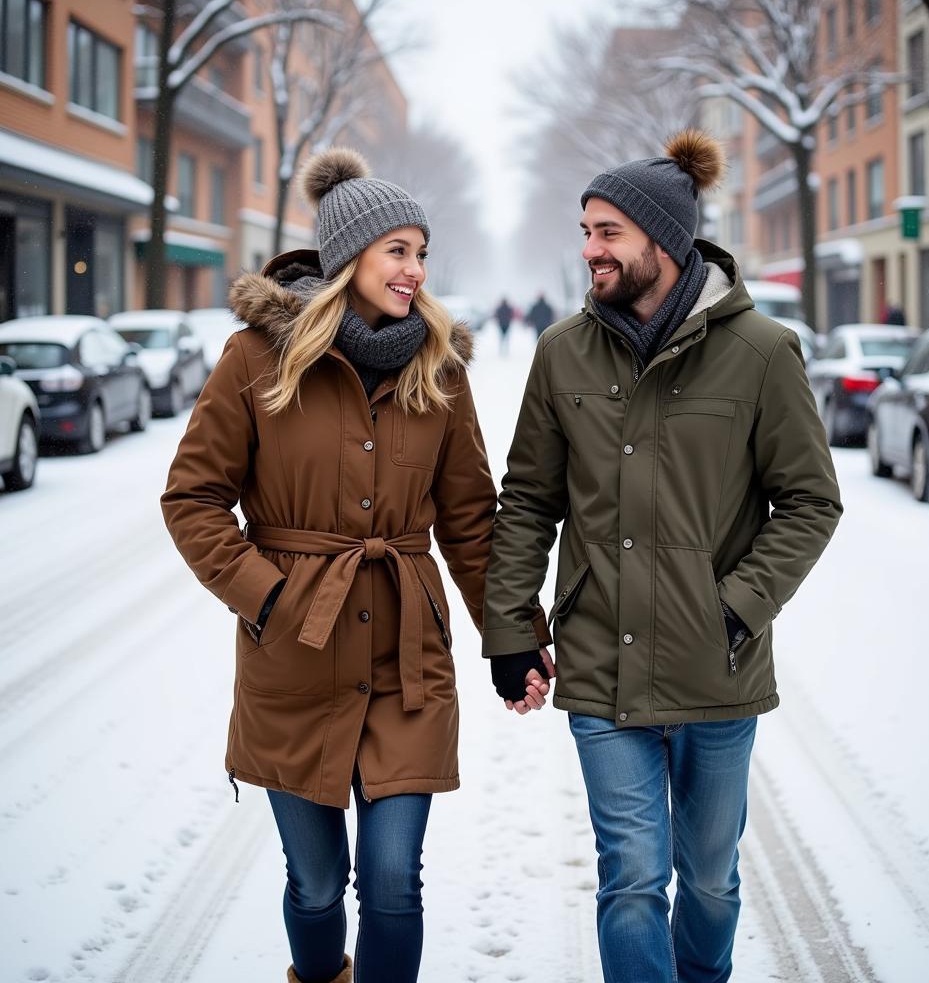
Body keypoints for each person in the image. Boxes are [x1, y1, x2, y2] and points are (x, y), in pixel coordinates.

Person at [482, 129, 843, 983]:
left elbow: (811, 501)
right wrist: (510, 628)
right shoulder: (561, 350)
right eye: (585, 231)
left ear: (664, 242)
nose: (590, 249)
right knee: (633, 878)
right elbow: (529, 499)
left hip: (717, 670)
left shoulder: (763, 353)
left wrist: (736, 607)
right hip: (602, 660)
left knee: (709, 881)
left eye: (608, 231)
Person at [161, 148, 502, 983]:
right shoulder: (255, 359)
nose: (416, 270)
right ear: (350, 256)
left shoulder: (441, 368)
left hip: (406, 662)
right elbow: (193, 498)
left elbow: (470, 521)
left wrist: (514, 637)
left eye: (422, 252)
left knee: (393, 884)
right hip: (295, 658)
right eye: (399, 250)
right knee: (316, 887)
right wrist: (267, 599)